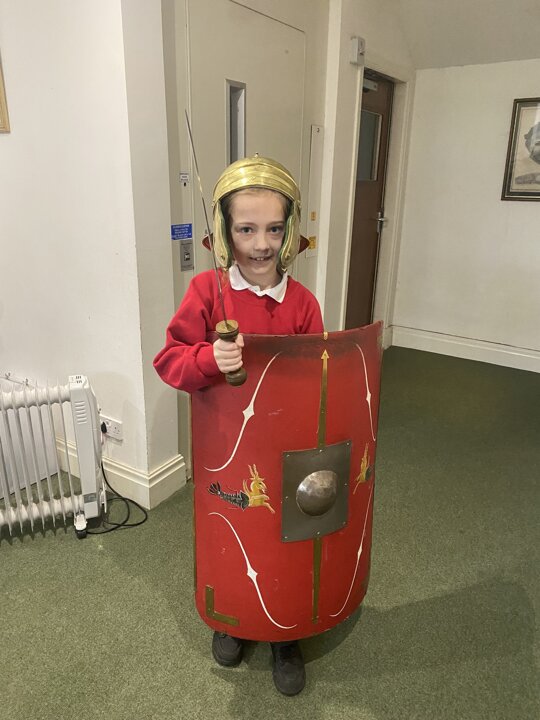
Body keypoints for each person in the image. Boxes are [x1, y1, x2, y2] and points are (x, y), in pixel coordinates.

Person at [154, 155, 323, 696]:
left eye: (273, 229)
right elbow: (169, 361)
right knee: (230, 533)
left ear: (289, 231)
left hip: (284, 449)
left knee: (282, 541)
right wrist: (209, 358)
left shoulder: (303, 303)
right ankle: (231, 616)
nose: (261, 244)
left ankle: (284, 633)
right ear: (225, 231)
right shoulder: (208, 292)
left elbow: (319, 380)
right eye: (246, 229)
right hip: (225, 448)